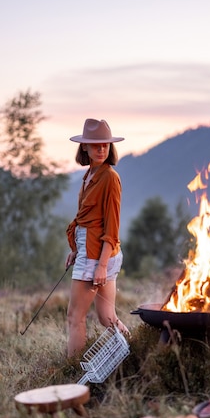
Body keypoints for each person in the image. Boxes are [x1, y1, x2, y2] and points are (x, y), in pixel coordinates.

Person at [65, 118, 129, 357]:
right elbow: (87, 220)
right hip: (91, 253)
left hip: (97, 257)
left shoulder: (110, 178)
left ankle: (72, 376)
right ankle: (135, 350)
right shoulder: (89, 175)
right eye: (96, 145)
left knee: (74, 317)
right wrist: (76, 250)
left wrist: (100, 266)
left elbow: (112, 227)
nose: (101, 149)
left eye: (105, 145)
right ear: (85, 147)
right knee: (107, 317)